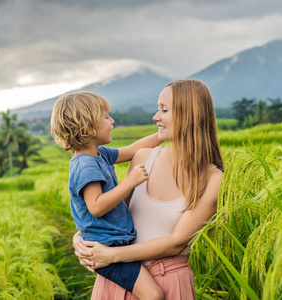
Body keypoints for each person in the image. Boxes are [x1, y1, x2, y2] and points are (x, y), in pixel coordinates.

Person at [73, 79, 224, 299]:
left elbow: (176, 243)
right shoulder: (143, 158)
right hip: (119, 279)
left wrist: (112, 256)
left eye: (164, 109)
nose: (155, 116)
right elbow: (111, 215)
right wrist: (80, 238)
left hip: (168, 282)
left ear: (188, 115)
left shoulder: (213, 179)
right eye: (157, 109)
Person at [50, 92, 164, 300]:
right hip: (106, 249)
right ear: (88, 127)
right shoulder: (86, 165)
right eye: (106, 117)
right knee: (153, 295)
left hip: (114, 243)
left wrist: (162, 135)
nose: (112, 121)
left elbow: (132, 150)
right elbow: (96, 206)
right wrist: (130, 182)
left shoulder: (99, 154)